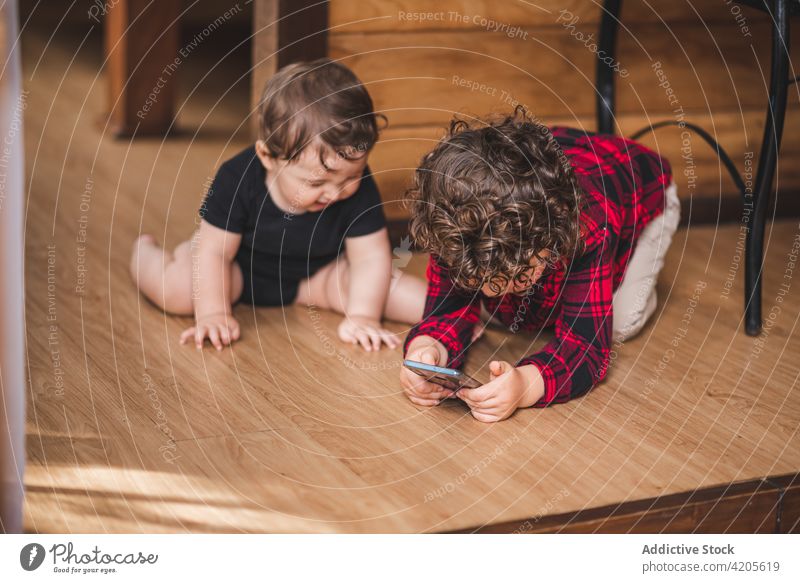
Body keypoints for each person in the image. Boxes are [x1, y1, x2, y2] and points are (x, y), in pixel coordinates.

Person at [400, 106, 681, 422]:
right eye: (483, 281)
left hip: (643, 192)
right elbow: (445, 310)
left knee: (620, 322)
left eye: (517, 277)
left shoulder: (589, 228)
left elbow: (586, 349)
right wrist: (426, 350)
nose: (493, 294)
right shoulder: (455, 226)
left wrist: (525, 385)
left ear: (554, 237)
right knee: (510, 312)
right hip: (551, 167)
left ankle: (628, 274)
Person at [130, 58, 427, 351]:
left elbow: (369, 258)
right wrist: (213, 314)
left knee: (402, 294)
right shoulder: (237, 179)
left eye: (351, 177)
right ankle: (144, 256)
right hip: (237, 272)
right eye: (315, 183)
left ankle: (463, 313)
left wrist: (363, 316)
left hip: (320, 277)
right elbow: (214, 253)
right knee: (180, 292)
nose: (335, 193)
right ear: (268, 157)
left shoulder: (357, 186)